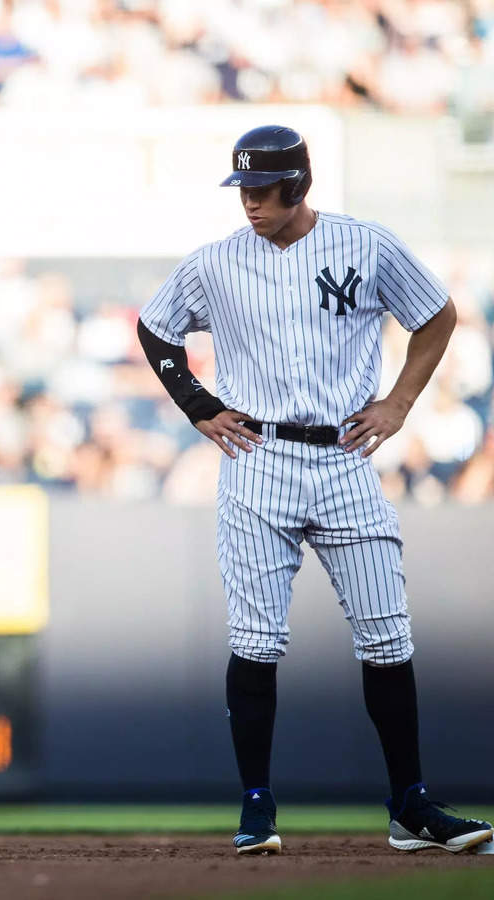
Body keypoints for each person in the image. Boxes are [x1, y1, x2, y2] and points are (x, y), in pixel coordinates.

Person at [136, 126, 493, 856]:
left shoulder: (366, 244)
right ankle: (258, 805)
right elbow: (154, 327)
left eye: (262, 191)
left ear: (298, 185)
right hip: (257, 454)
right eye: (242, 191)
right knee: (256, 640)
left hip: (342, 454)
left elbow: (437, 314)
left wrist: (398, 403)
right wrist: (199, 404)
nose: (250, 205)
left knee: (387, 634)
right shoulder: (216, 263)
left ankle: (410, 805)